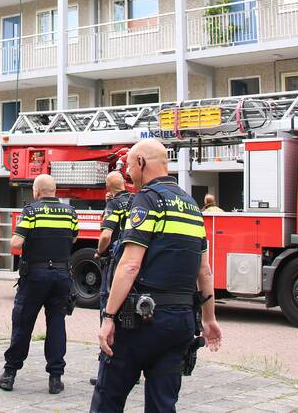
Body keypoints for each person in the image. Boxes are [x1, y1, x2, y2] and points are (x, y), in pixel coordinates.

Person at [90, 139, 222, 413]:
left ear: (141, 162)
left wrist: (109, 317)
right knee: (163, 404)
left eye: (130, 166)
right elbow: (204, 270)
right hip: (181, 322)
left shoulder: (147, 199)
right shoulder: (192, 206)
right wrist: (209, 319)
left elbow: (130, 265)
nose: (128, 174)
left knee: (108, 398)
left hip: (140, 323)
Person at [0, 174, 78, 395]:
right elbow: (73, 238)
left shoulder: (31, 211)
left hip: (35, 276)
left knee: (23, 324)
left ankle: (9, 374)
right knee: (57, 324)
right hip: (61, 275)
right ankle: (55, 379)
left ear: (36, 191)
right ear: (54, 190)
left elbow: (16, 243)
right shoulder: (70, 213)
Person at [90, 171, 133, 386]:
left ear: (108, 187)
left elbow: (106, 235)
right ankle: (131, 370)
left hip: (115, 264)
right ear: (124, 183)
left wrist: (99, 252)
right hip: (134, 264)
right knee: (130, 317)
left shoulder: (114, 205)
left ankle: (106, 371)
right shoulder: (136, 200)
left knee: (108, 312)